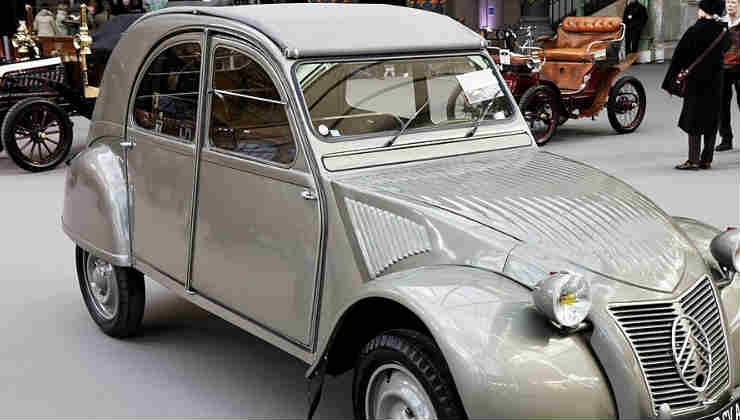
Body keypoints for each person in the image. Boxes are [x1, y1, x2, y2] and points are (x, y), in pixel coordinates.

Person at [662, 0, 730, 170]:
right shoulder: (723, 30)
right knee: (711, 119)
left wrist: (671, 82)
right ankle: (706, 160)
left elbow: (679, 57)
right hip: (716, 81)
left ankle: (693, 160)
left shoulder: (694, 30)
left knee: (694, 119)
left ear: (704, 10)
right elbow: (726, 48)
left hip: (696, 82)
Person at [717, 0, 740, 151]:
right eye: (728, 2)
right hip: (723, 69)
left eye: (733, 2)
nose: (730, 5)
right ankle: (726, 139)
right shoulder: (721, 23)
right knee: (722, 105)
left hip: (739, 68)